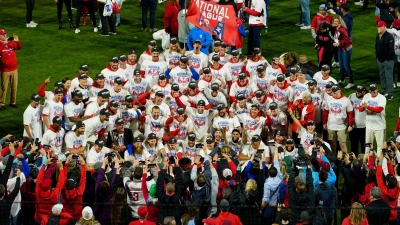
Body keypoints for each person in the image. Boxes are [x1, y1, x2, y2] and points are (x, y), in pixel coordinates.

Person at [323, 84, 354, 153]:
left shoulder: (346, 100)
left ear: (339, 90)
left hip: (341, 126)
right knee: (332, 143)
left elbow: (350, 113)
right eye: (332, 91)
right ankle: (334, 159)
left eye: (335, 92)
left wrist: (350, 125)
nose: (333, 93)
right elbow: (326, 111)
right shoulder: (329, 98)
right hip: (331, 124)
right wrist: (324, 122)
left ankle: (345, 160)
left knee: (342, 143)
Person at [359, 84, 386, 155]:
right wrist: (363, 107)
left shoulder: (382, 98)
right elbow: (360, 109)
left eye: (375, 90)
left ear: (377, 89)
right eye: (372, 90)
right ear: (369, 91)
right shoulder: (366, 96)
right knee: (367, 146)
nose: (373, 92)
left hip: (379, 125)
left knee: (380, 146)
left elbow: (379, 110)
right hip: (369, 125)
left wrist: (367, 106)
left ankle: (379, 164)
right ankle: (367, 163)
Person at [0, 30, 22, 109]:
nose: (5, 35)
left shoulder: (10, 42)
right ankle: (1, 103)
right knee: (4, 87)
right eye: (3, 34)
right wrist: (4, 43)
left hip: (14, 68)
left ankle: (12, 102)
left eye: (5, 34)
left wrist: (17, 41)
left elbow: (19, 47)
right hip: (5, 69)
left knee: (14, 86)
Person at [332, 16, 354, 89]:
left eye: (336, 21)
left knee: (346, 65)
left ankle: (351, 82)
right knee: (341, 65)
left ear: (339, 22)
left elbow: (347, 39)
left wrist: (339, 43)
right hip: (341, 48)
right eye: (334, 21)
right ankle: (342, 80)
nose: (335, 22)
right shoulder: (336, 28)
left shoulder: (342, 29)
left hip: (346, 48)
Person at [376, 20, 395, 100]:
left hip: (388, 61)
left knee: (388, 76)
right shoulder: (378, 35)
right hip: (379, 60)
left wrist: (386, 59)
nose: (378, 28)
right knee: (382, 76)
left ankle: (390, 93)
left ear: (384, 27)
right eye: (378, 27)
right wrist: (377, 56)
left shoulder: (389, 37)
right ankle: (384, 90)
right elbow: (376, 46)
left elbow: (391, 50)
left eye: (380, 27)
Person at [348, 85, 367, 155]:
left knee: (364, 145)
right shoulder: (351, 96)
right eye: (357, 91)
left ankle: (364, 160)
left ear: (364, 92)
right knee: (353, 145)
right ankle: (353, 161)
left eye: (360, 92)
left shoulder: (367, 98)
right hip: (353, 126)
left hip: (364, 126)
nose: (357, 93)